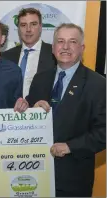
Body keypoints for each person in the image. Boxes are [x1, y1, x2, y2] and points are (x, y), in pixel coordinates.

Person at [18, 23, 106, 197]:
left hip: (72, 179)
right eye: (60, 41)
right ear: (53, 48)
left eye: (72, 42)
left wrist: (70, 146)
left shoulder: (98, 84)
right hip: (34, 175)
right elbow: (25, 120)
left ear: (82, 48)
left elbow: (104, 131)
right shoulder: (40, 79)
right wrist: (28, 111)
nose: (65, 47)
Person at [2, 8, 56, 97]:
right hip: (11, 109)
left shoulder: (54, 54)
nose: (28, 29)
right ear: (18, 29)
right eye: (23, 25)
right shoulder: (6, 56)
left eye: (33, 24)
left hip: (43, 109)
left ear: (40, 27)